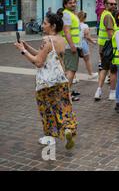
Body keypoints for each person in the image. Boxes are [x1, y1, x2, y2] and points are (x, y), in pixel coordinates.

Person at [14, 13, 77, 149]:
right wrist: (27, 46)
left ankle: (49, 138)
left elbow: (38, 62)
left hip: (46, 83)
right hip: (60, 80)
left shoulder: (47, 40)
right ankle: (67, 129)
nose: (42, 26)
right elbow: (44, 54)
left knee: (47, 109)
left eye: (45, 23)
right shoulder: (60, 39)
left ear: (53, 26)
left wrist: (22, 51)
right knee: (62, 107)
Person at [94, 0, 119, 101]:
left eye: (114, 4)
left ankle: (98, 90)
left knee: (104, 69)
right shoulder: (108, 16)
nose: (113, 6)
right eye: (111, 4)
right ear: (105, 5)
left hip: (103, 46)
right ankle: (112, 93)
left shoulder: (104, 14)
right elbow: (110, 34)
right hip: (109, 47)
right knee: (113, 71)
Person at [60, 0, 81, 101]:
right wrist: (72, 45)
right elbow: (67, 31)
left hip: (71, 46)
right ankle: (65, 95)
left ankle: (66, 93)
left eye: (74, 2)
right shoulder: (67, 14)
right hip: (70, 47)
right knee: (71, 70)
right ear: (65, 5)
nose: (73, 4)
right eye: (70, 3)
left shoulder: (70, 14)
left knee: (69, 70)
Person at [77, 11, 98, 81]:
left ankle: (73, 77)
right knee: (87, 59)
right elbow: (87, 36)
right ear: (84, 18)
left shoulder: (74, 25)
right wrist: (93, 42)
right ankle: (91, 74)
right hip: (83, 43)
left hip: (75, 43)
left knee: (75, 60)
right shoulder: (85, 26)